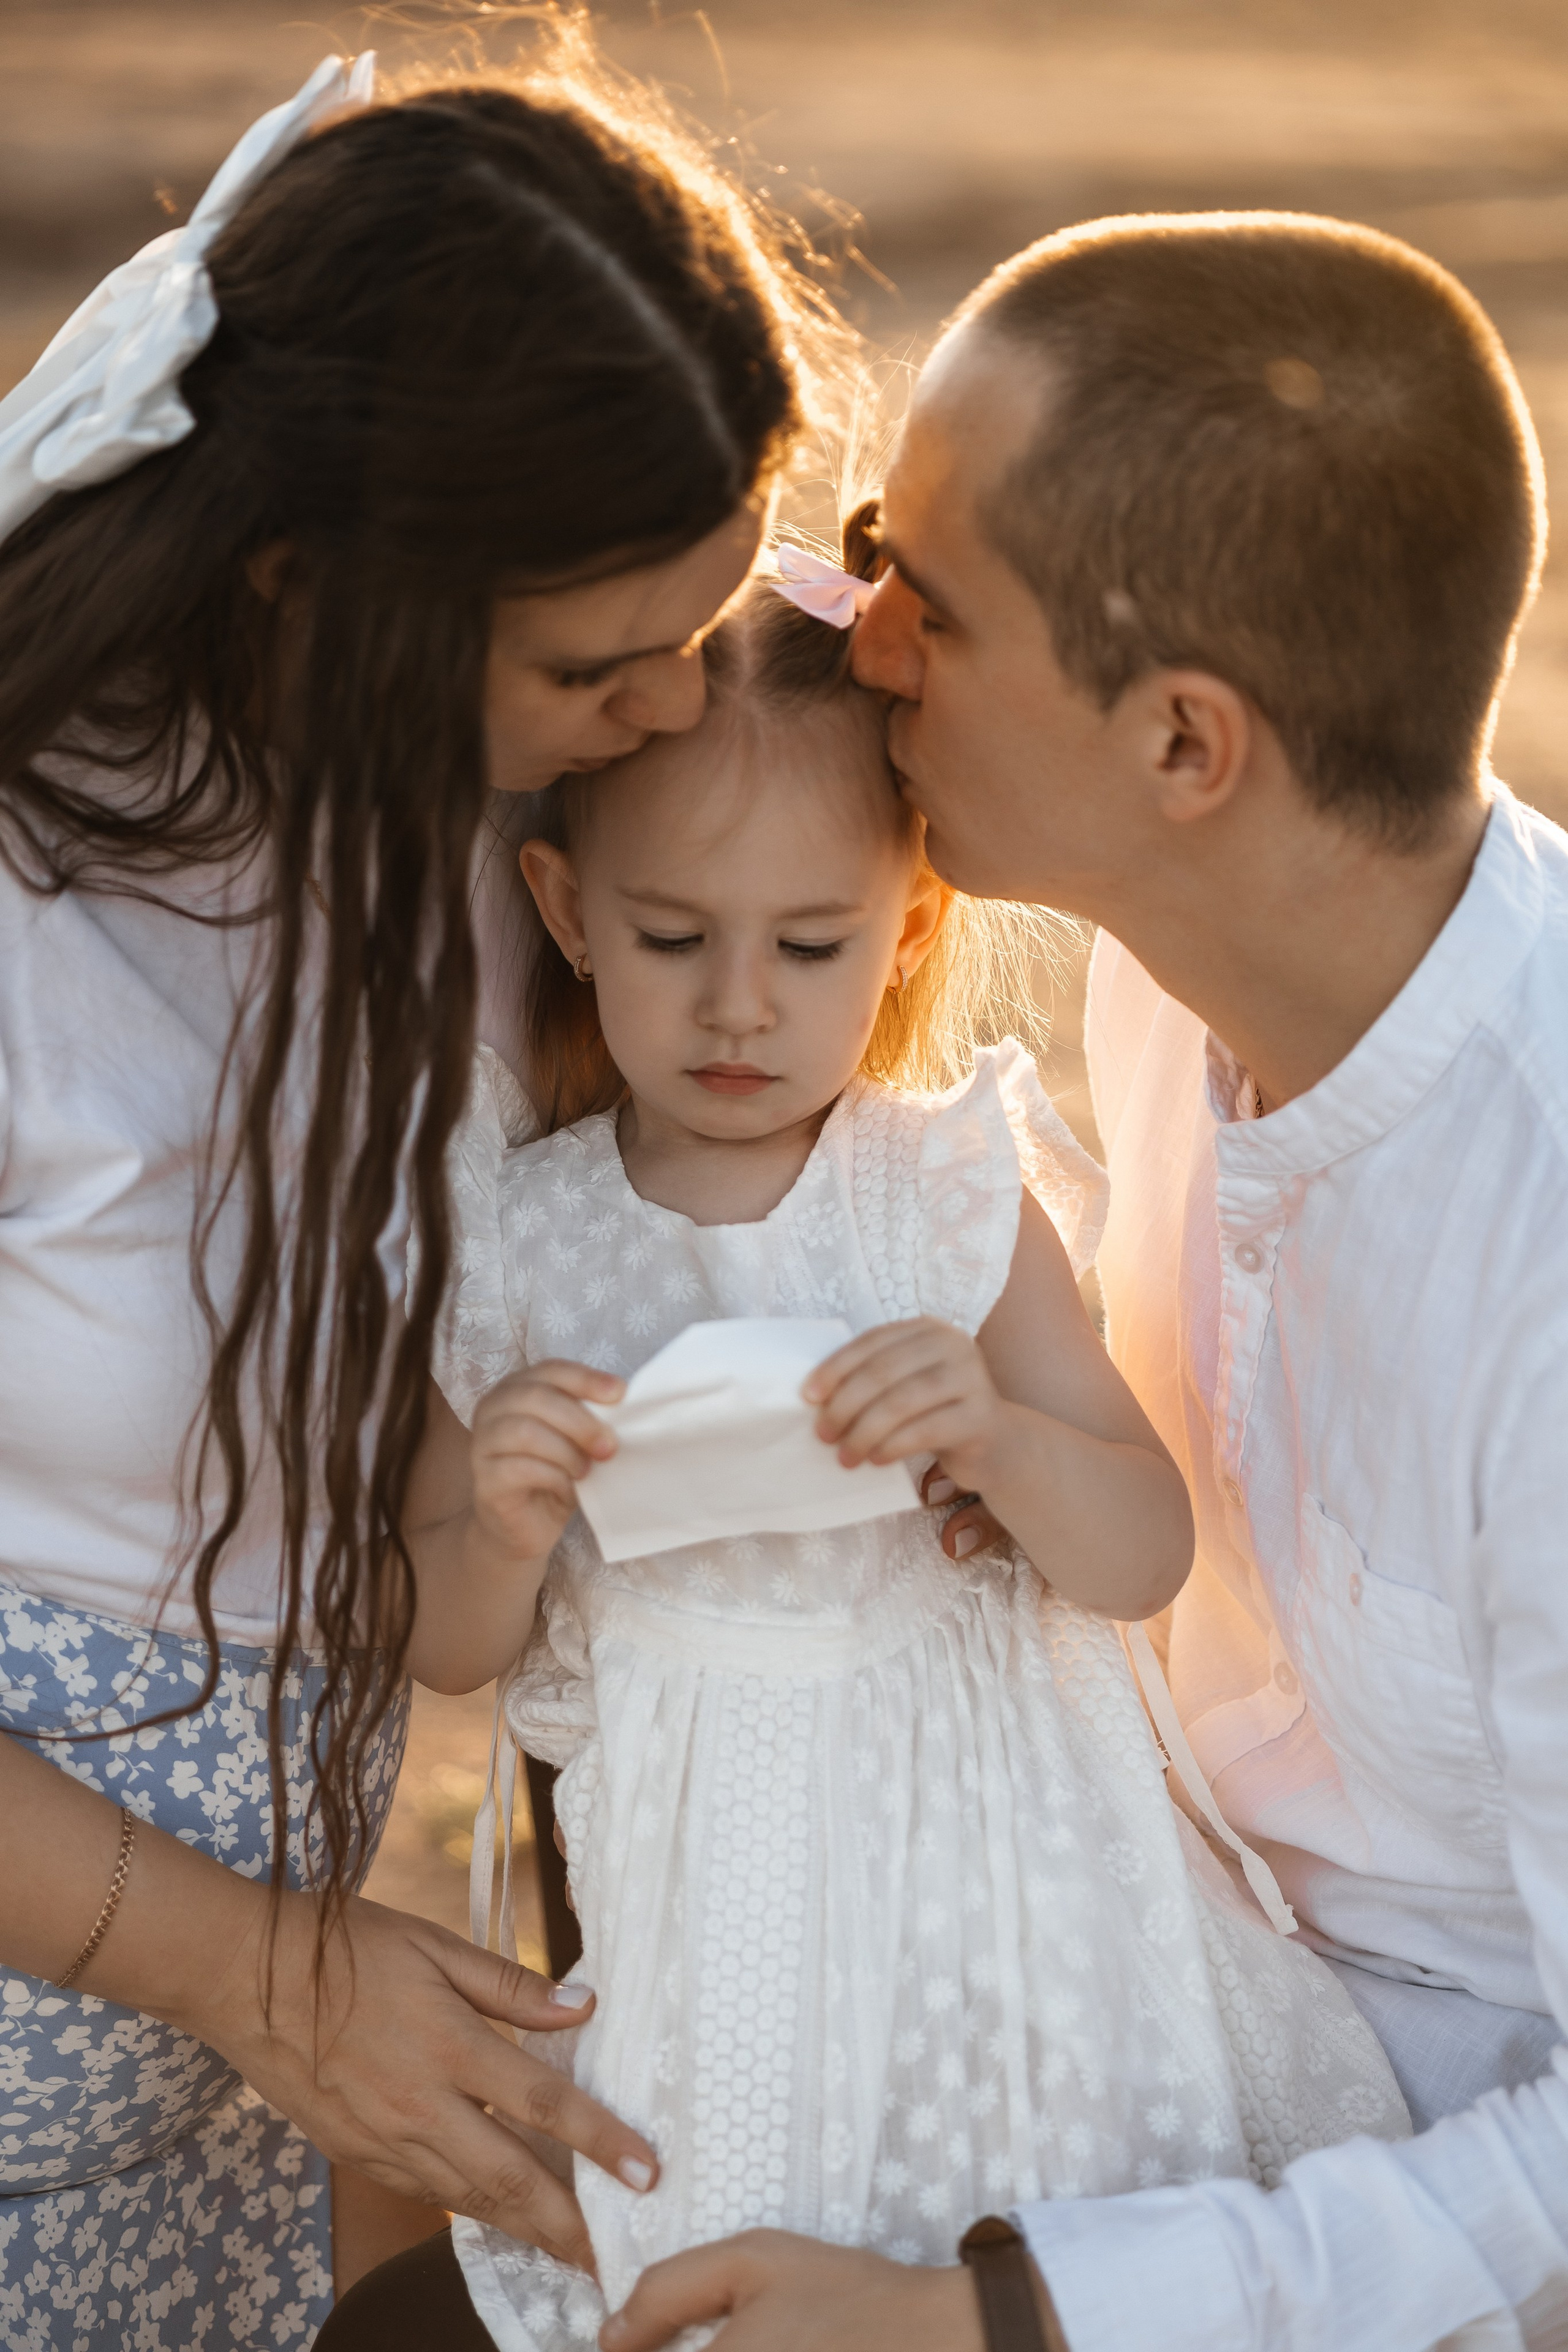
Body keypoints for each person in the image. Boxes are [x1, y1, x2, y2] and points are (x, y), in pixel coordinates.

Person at [589, 214, 1568, 2352]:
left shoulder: (1548, 1256)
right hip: (1077, 1987)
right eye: (869, 554)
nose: (859, 648)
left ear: (1186, 748)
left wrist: (996, 2320)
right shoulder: (1167, 974)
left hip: (1379, 2233)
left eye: (924, 603)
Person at [0, 35, 832, 2348]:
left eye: (699, 627)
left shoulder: (455, 813)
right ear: (303, 587)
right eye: (600, 664)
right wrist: (265, 1977)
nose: (677, 712)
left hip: (212, 2115)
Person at [391, 543, 1406, 2352]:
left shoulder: (939, 1197)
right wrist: (504, 1518)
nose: (738, 1005)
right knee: (744, 2265)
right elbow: (444, 1643)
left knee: (1011, 2212)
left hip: (1009, 1880)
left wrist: (998, 1436)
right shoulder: (521, 1246)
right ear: (565, 908)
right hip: (722, 1893)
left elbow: (1146, 1551)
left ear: (911, 931)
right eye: (673, 938)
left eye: (810, 946)